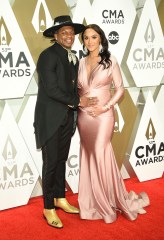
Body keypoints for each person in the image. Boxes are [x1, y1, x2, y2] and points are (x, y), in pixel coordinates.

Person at [77, 24, 150, 223]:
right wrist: (80, 102)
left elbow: (120, 89)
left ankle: (109, 199)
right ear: (82, 41)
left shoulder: (110, 61)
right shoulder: (80, 63)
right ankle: (92, 201)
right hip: (83, 117)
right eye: (85, 38)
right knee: (89, 156)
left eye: (93, 37)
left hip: (103, 117)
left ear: (100, 39)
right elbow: (77, 90)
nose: (89, 41)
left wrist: (105, 106)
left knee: (101, 154)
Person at [33, 15, 97, 229]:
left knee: (61, 160)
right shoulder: (47, 56)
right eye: (64, 33)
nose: (69, 36)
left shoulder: (73, 57)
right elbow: (51, 90)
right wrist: (78, 101)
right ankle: (48, 206)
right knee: (50, 163)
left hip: (67, 118)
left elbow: (73, 86)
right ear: (55, 35)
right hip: (51, 119)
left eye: (71, 32)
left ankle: (60, 198)